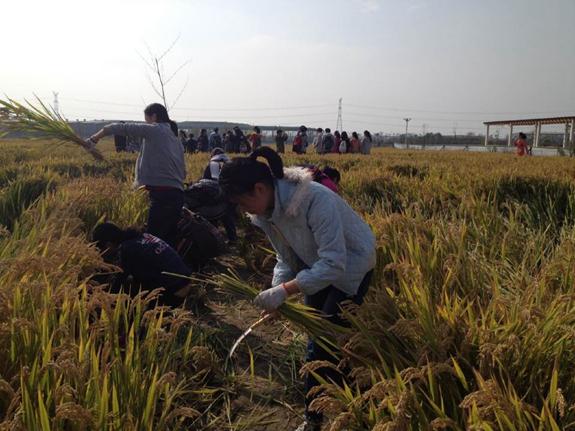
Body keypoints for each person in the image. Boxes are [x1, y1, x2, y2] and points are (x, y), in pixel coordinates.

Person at [218, 147, 375, 431]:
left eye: (242, 204)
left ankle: (313, 419)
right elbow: (285, 256)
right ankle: (348, 389)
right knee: (324, 342)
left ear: (259, 188)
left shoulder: (315, 199)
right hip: (315, 267)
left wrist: (287, 290)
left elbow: (335, 263)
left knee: (320, 343)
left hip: (351, 266)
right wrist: (278, 289)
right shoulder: (266, 214)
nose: (243, 211)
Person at [85, 103, 186, 248]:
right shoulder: (175, 139)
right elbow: (184, 171)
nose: (147, 124)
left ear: (154, 117)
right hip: (178, 195)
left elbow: (119, 128)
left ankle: (152, 269)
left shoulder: (155, 129)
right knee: (168, 239)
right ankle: (172, 268)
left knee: (154, 240)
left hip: (164, 195)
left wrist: (94, 139)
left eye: (147, 120)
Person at [91, 222, 191, 308]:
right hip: (184, 283)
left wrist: (95, 295)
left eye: (100, 250)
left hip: (174, 294)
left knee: (126, 289)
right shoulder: (140, 236)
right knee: (132, 278)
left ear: (108, 245)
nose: (100, 254)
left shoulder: (125, 249)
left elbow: (116, 282)